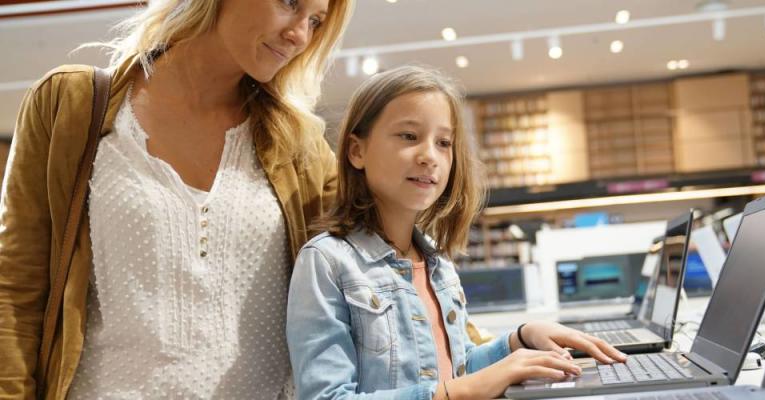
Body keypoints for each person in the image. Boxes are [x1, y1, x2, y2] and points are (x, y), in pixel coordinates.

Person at [0, 0, 353, 398]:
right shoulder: (74, 104)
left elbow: (363, 262)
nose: (300, 34)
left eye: (316, 21)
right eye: (290, 3)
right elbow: (16, 291)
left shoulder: (299, 148)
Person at [286, 65, 627, 400]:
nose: (429, 157)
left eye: (444, 142)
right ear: (356, 151)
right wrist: (464, 389)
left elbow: (458, 370)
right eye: (409, 136)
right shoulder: (327, 262)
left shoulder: (437, 261)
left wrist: (521, 340)